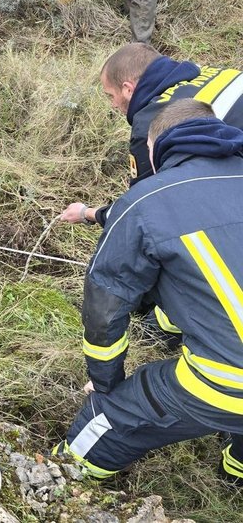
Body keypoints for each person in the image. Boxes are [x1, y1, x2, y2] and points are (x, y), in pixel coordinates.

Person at [53, 98, 243, 485]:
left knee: (104, 422)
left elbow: (106, 309)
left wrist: (107, 386)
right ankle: (235, 476)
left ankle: (65, 482)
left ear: (156, 147)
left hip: (231, 378)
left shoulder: (145, 201)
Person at [61, 43, 243, 226]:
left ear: (128, 89)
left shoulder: (152, 122)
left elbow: (143, 206)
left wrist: (87, 213)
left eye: (110, 96)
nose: (113, 105)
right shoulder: (219, 73)